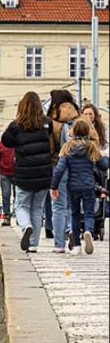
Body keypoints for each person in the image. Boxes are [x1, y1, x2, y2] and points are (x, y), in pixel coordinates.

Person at [1, 91, 57, 254]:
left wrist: (7, 128)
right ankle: (33, 245)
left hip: (23, 173)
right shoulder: (47, 124)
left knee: (21, 205)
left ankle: (26, 227)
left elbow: (6, 142)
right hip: (43, 173)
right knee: (37, 208)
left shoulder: (16, 125)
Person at [50, 117, 110, 255]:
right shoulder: (91, 147)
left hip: (73, 186)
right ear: (88, 132)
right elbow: (103, 166)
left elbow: (59, 169)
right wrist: (105, 157)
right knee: (89, 212)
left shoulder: (67, 147)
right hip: (88, 185)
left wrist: (54, 187)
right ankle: (88, 231)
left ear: (73, 131)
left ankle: (76, 245)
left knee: (75, 214)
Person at [46, 91, 80, 251]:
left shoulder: (54, 121)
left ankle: (59, 244)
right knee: (71, 205)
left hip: (57, 166)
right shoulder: (77, 118)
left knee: (58, 206)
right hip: (77, 167)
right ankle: (71, 230)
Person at [80, 103, 109, 240]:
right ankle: (87, 226)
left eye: (90, 114)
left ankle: (95, 224)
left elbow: (106, 148)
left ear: (95, 116)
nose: (88, 116)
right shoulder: (78, 129)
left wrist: (102, 153)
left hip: (97, 163)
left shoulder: (101, 131)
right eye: (85, 113)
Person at [0, 136, 16, 226]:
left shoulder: (17, 142)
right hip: (5, 174)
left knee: (18, 196)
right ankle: (7, 216)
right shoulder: (0, 144)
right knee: (6, 195)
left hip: (17, 173)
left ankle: (19, 216)